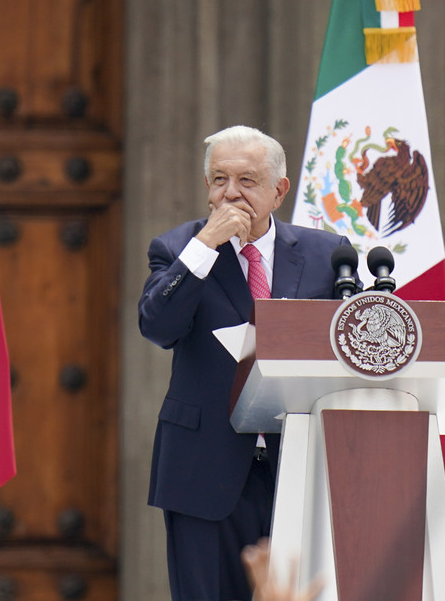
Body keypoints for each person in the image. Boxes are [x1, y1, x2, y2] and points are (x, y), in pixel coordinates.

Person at [138, 125, 355, 601]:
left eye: (247, 181)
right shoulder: (177, 250)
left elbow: (347, 346)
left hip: (298, 466)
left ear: (279, 191)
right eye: (219, 180)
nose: (230, 193)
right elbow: (157, 327)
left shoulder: (326, 254)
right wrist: (203, 250)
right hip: (203, 468)